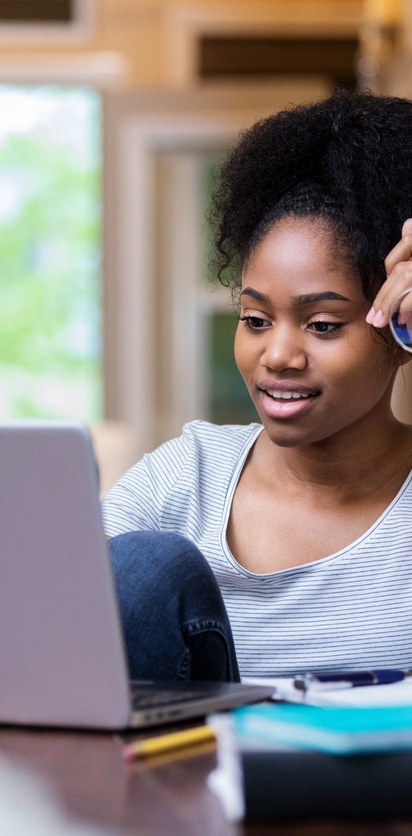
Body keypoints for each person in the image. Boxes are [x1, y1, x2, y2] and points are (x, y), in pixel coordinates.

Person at [101, 88, 412, 683]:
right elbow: (52, 611)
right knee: (138, 566)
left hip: (385, 777)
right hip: (187, 771)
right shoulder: (185, 479)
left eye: (323, 325)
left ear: (400, 329)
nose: (278, 355)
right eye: (255, 320)